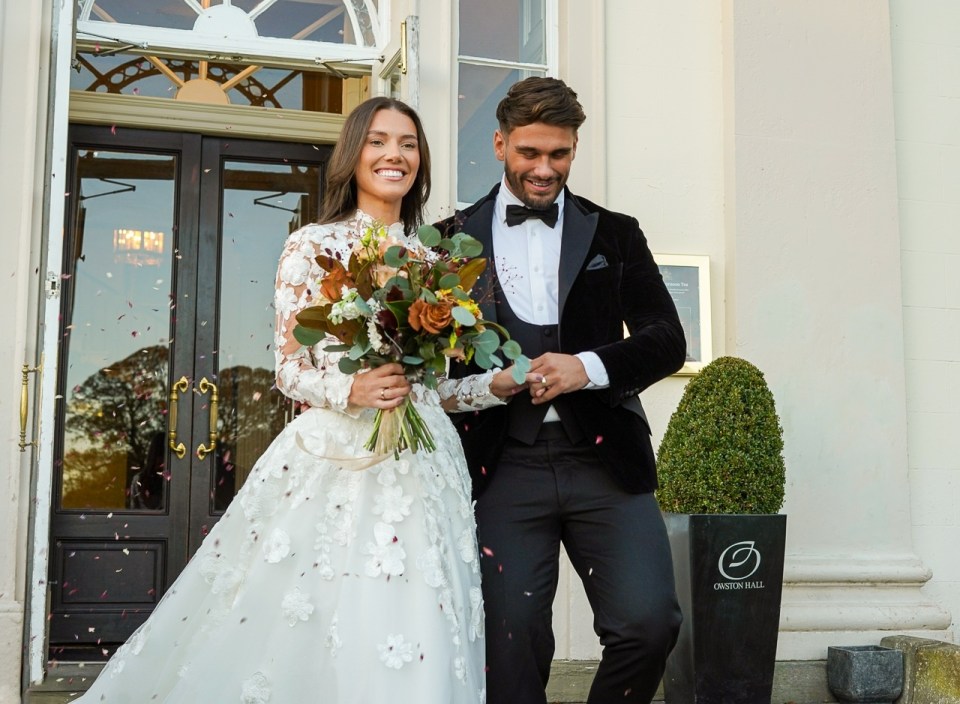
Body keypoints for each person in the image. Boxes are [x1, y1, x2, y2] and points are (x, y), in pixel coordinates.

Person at [75, 97, 524, 704]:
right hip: (337, 457)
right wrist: (352, 387)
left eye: (409, 144)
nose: (395, 154)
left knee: (416, 611)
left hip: (424, 467)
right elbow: (289, 368)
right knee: (319, 612)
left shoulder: (436, 259)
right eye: (379, 141)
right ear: (353, 155)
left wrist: (488, 388)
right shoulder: (312, 245)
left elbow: (429, 387)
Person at [445, 77, 687, 704]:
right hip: (501, 469)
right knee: (512, 641)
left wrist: (590, 366)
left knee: (650, 624)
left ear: (574, 149)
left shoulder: (617, 233)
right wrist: (492, 387)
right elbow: (432, 385)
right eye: (529, 153)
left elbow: (667, 340)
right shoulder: (443, 244)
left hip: (605, 462)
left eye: (560, 153)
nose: (544, 169)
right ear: (499, 144)